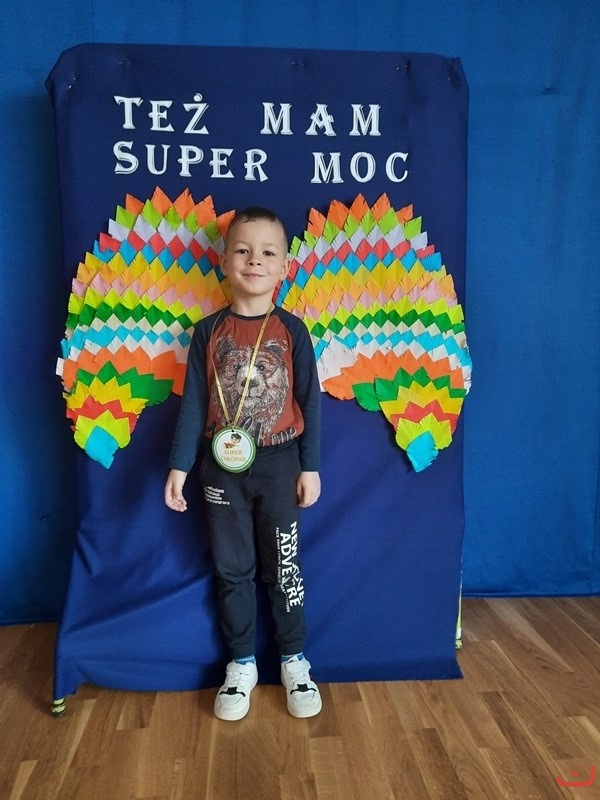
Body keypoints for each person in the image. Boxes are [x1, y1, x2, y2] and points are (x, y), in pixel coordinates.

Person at [164, 206, 322, 721]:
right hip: (221, 467)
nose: (255, 261)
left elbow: (309, 400)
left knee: (284, 567)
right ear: (224, 260)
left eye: (268, 253)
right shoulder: (206, 332)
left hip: (279, 463)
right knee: (232, 570)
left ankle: (294, 659)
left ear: (284, 268)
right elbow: (193, 404)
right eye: (243, 250)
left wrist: (310, 466)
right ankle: (241, 663)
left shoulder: (293, 331)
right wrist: (179, 467)